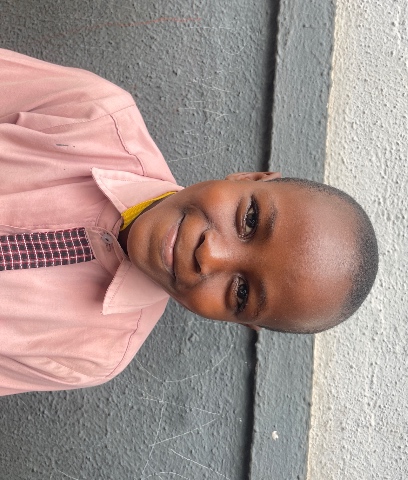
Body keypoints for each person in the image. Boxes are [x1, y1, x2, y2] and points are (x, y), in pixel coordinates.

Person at [0, 49, 378, 396]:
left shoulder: (92, 354)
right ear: (249, 178)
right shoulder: (92, 114)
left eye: (241, 293)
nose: (210, 255)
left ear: (238, 321)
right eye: (250, 220)